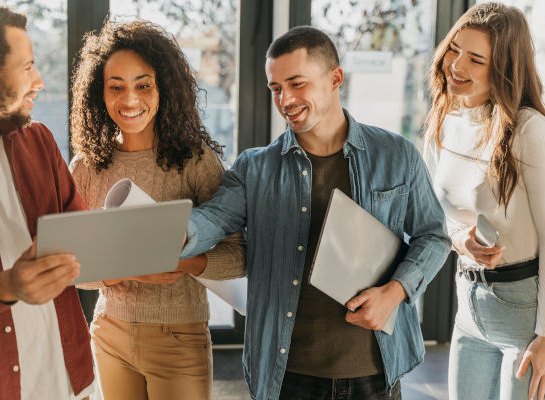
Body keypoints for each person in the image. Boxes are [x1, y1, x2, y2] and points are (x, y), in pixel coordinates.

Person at [181, 26, 451, 400]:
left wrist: (394, 291)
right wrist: (171, 234)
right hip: (286, 375)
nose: (285, 99)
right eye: (276, 88)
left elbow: (433, 236)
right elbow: (210, 220)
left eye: (297, 83)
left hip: (375, 372)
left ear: (335, 78)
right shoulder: (254, 168)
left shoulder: (397, 155)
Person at [69, 19, 245, 400]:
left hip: (179, 335)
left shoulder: (195, 160)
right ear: (100, 94)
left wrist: (179, 263)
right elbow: (74, 270)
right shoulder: (85, 167)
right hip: (108, 332)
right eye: (116, 87)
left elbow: (238, 256)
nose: (129, 100)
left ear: (163, 88)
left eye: (142, 85)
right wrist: (121, 271)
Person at [0, 3, 94, 400]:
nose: (39, 80)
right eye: (27, 67)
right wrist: (4, 286)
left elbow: (81, 241)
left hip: (74, 381)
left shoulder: (38, 141)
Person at [423, 3, 545, 400]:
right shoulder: (443, 121)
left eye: (476, 59)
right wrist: (461, 239)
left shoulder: (529, 129)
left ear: (504, 70)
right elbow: (432, 217)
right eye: (454, 49)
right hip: (467, 307)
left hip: (523, 315)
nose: (456, 65)